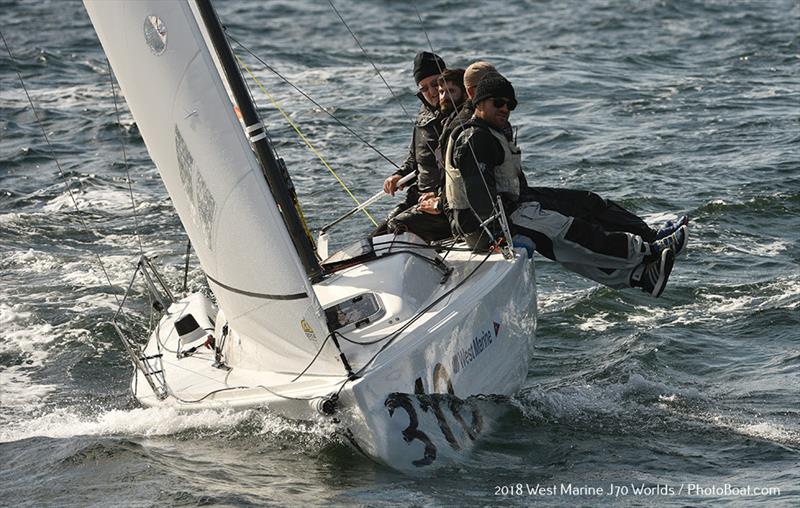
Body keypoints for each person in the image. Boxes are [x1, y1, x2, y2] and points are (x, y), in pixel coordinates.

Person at [443, 72, 687, 297]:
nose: (505, 108)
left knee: (568, 237)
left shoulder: (488, 132)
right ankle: (648, 250)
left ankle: (639, 276)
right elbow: (478, 195)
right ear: (479, 103)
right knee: (569, 232)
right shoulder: (475, 139)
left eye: (510, 105)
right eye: (498, 102)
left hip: (507, 212)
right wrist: (498, 233)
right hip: (488, 225)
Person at [380, 51, 452, 242]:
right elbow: (415, 158)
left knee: (396, 229)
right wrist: (399, 175)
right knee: (379, 234)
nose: (432, 92)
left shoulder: (459, 116)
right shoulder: (423, 115)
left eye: (436, 83)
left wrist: (439, 198)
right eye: (424, 88)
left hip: (444, 203)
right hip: (419, 197)